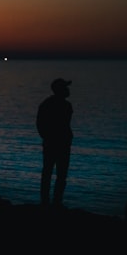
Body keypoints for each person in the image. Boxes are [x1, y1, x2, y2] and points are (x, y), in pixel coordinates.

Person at [37, 78, 74, 208]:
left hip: (58, 143)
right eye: (65, 87)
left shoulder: (60, 105)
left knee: (55, 174)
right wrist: (49, 138)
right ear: (60, 90)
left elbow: (40, 125)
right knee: (54, 174)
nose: (68, 90)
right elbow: (41, 124)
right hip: (56, 143)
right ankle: (51, 202)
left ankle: (53, 201)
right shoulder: (53, 105)